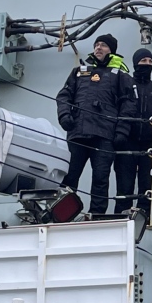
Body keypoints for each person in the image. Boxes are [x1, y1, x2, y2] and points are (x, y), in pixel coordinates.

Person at [56, 34, 138, 215]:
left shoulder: (120, 76)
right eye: (96, 45)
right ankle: (62, 214)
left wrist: (122, 131)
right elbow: (64, 96)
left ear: (112, 50)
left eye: (103, 45)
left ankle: (96, 215)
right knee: (69, 176)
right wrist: (65, 116)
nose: (98, 48)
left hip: (105, 135)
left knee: (101, 179)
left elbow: (129, 104)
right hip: (77, 132)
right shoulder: (79, 72)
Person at [113, 47, 152, 216]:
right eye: (143, 61)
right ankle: (121, 218)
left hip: (151, 147)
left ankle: (146, 219)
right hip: (127, 143)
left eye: (150, 62)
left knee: (149, 186)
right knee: (124, 184)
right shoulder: (125, 86)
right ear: (135, 63)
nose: (147, 64)